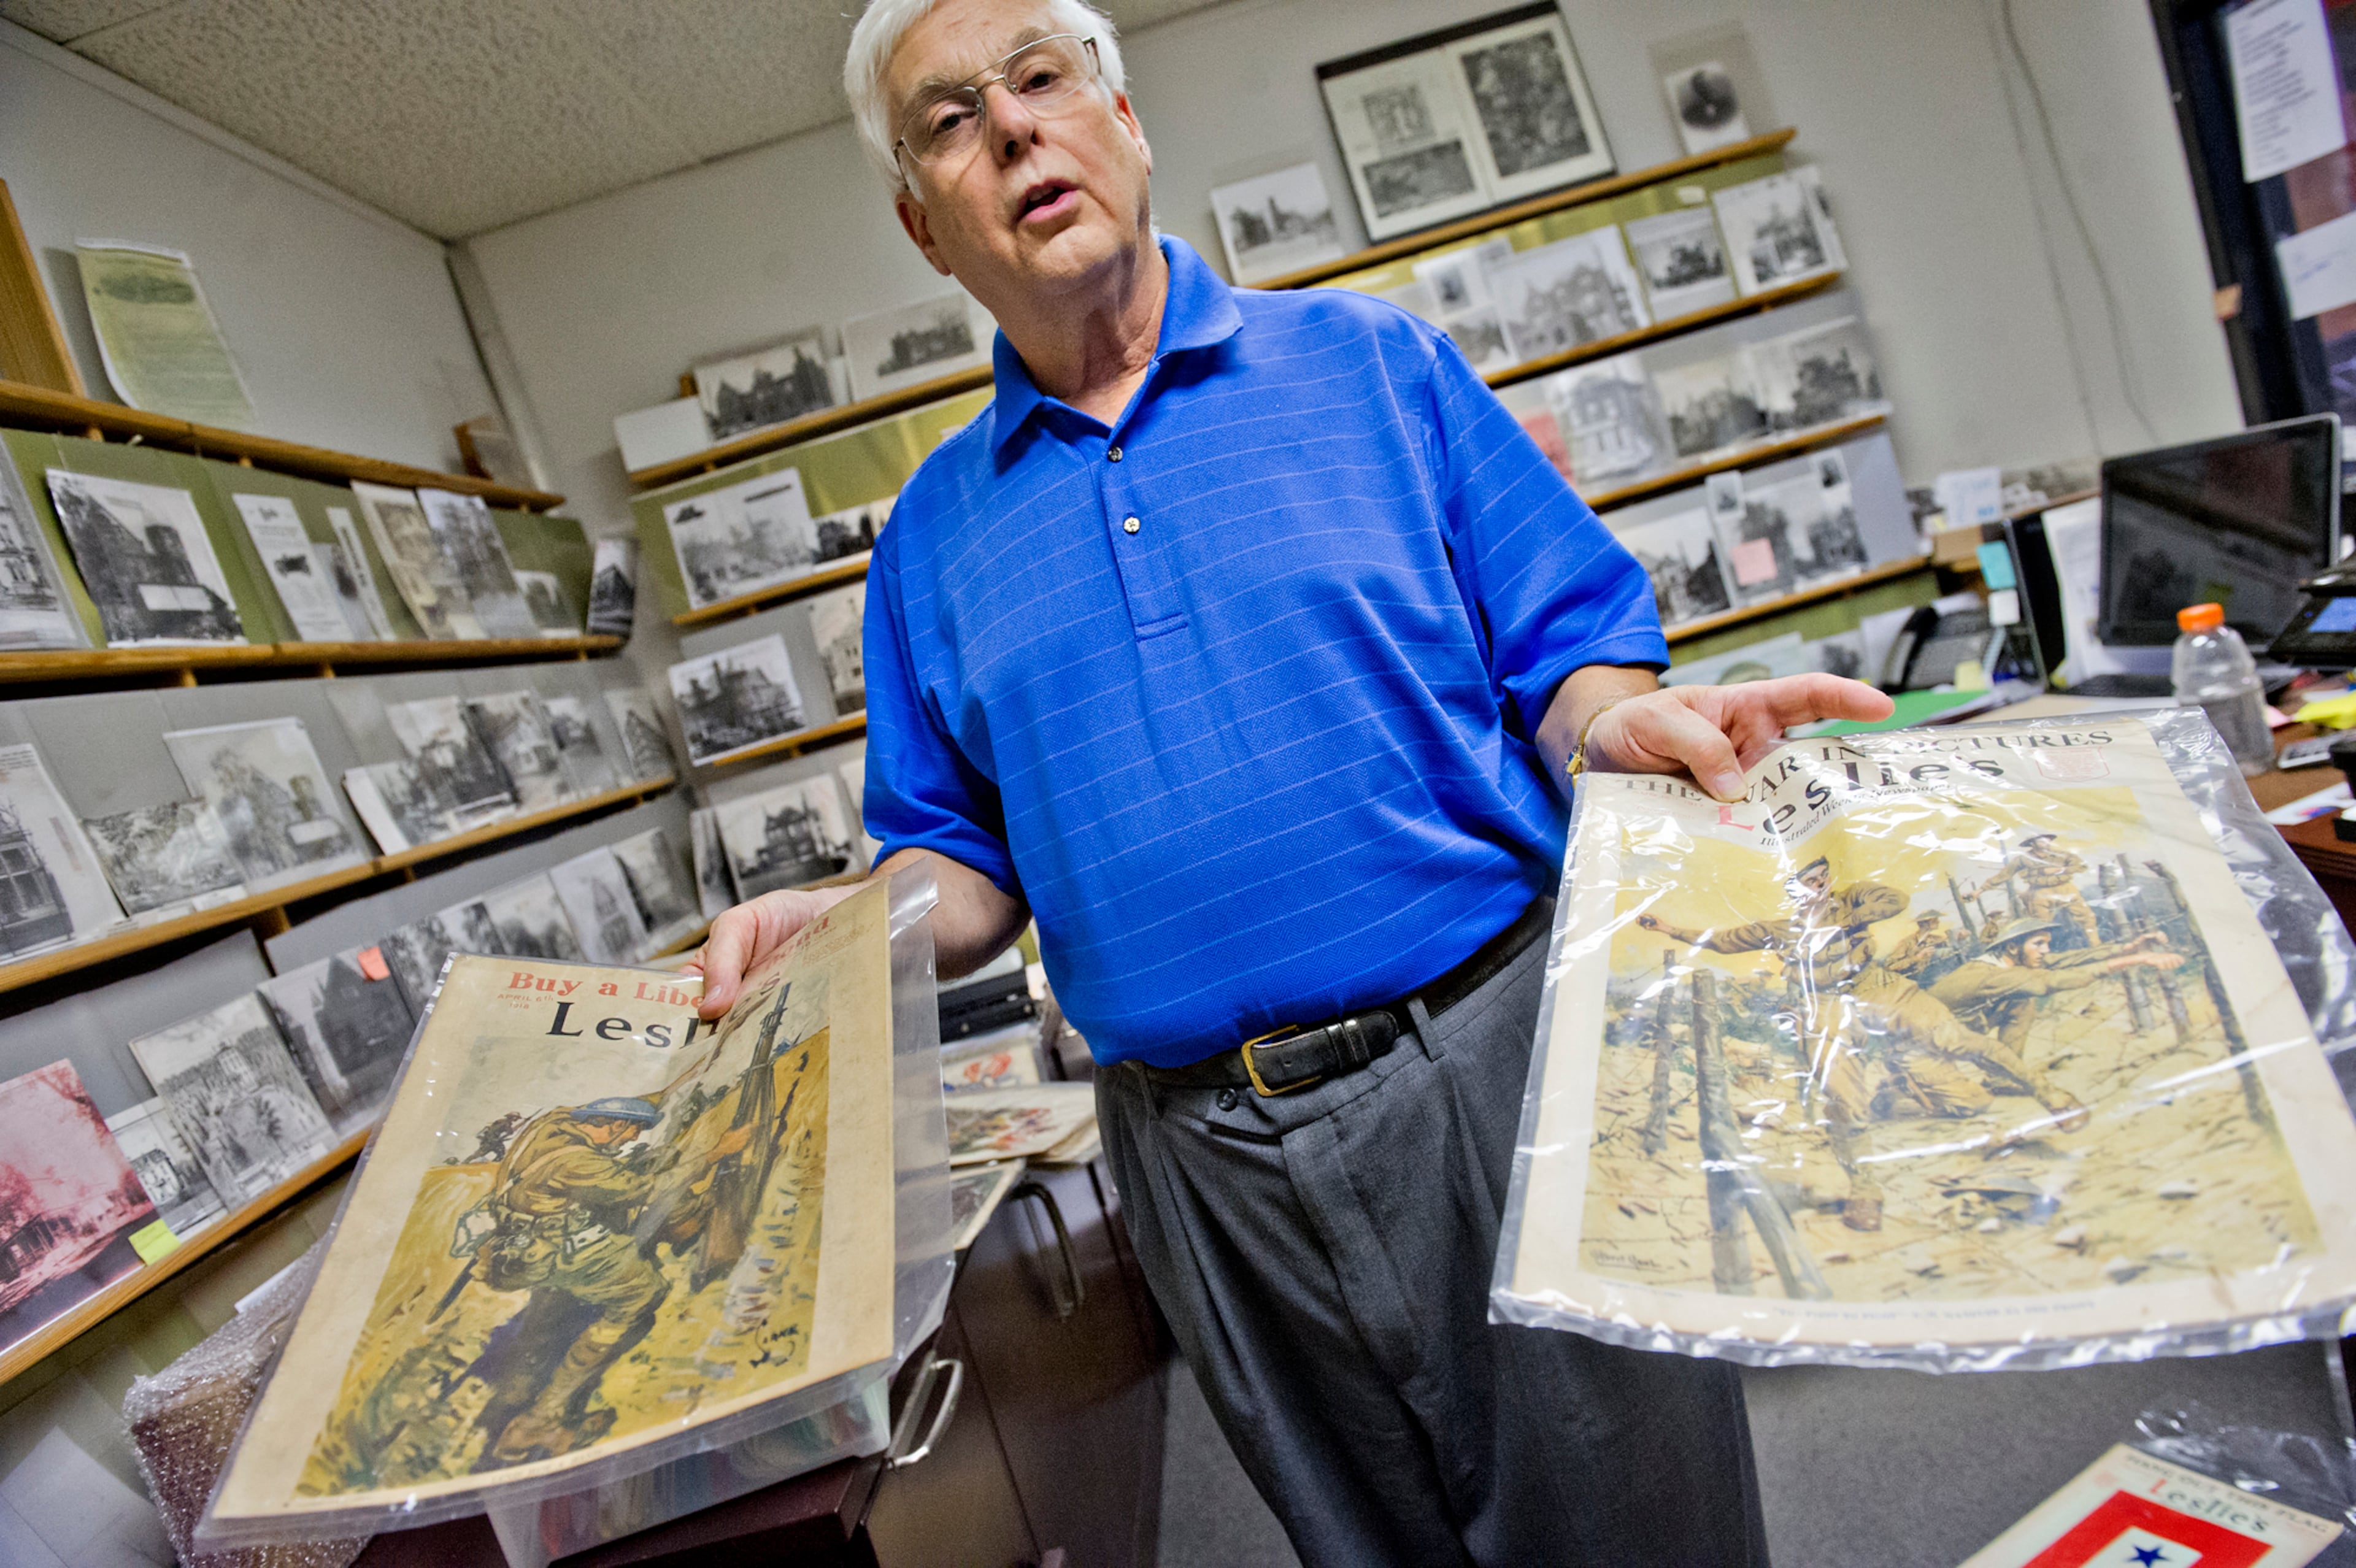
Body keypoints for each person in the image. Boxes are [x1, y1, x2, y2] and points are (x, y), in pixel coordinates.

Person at [693, 3, 1891, 1561]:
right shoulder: (925, 542)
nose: (1009, 127)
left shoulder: (1373, 366)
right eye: (946, 118)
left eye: (1041, 81)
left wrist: (1619, 728)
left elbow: (1565, 659)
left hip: (1498, 1067)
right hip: (1200, 1166)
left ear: (1123, 121)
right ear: (925, 226)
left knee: (1645, 1529)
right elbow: (958, 861)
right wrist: (846, 927)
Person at [466, 1097, 750, 1466]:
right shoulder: (577, 1162)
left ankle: (521, 1393)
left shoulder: (556, 1124)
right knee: (643, 1293)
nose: (633, 1137)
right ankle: (538, 1422)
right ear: (610, 1122)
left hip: (533, 1241)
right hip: (565, 1251)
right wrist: (715, 1153)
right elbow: (643, 1189)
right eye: (631, 1128)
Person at [1930, 918, 2182, 1064]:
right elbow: (2052, 981)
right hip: (1932, 1040)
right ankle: (2007, 1074)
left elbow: (2070, 959)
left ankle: (2008, 1078)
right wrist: (2138, 960)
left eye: (2047, 944)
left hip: (1964, 1024)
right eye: (2039, 944)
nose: (2046, 951)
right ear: (2012, 948)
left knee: (2022, 1002)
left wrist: (2129, 948)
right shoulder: (1993, 975)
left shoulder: (2010, 961)